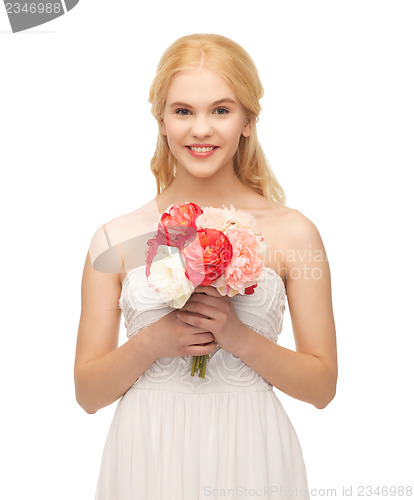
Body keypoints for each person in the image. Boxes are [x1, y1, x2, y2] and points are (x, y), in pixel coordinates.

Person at [74, 33, 338, 500]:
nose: (201, 129)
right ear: (161, 121)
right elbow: (88, 394)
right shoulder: (114, 240)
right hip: (148, 451)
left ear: (247, 121)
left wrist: (236, 336)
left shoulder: (295, 234)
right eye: (183, 111)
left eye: (220, 110)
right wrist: (155, 340)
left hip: (251, 451)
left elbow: (322, 388)